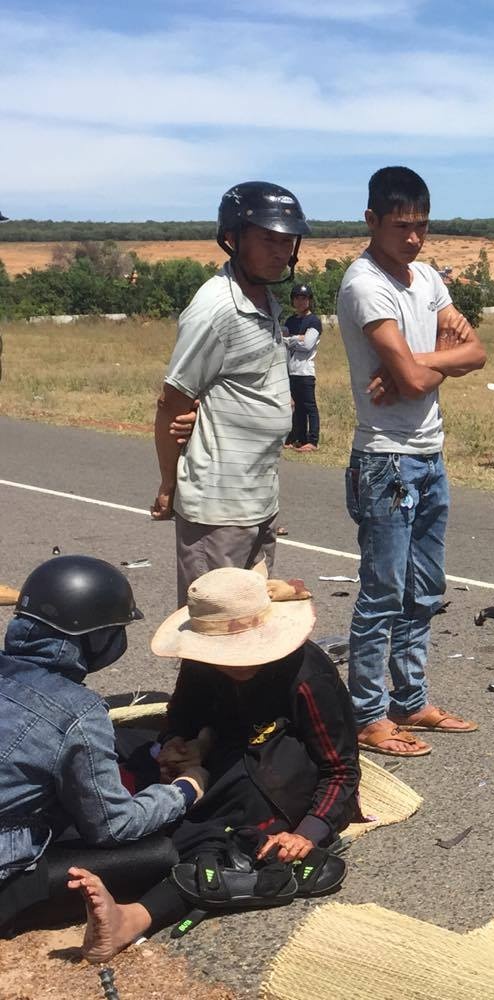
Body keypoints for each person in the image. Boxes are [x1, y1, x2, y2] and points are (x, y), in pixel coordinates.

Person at [65, 565, 359, 961]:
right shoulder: (203, 658)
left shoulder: (309, 678)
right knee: (121, 744)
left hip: (274, 765)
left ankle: (137, 915)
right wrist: (178, 745)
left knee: (229, 829)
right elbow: (182, 715)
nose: (232, 664)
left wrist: (307, 833)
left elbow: (340, 769)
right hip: (220, 750)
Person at [337, 166, 487, 757]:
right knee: (383, 591)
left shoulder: (426, 278)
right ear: (372, 220)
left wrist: (429, 362)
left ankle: (412, 699)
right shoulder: (364, 283)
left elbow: (474, 353)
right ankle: (368, 713)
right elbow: (413, 379)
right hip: (386, 461)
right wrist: (433, 364)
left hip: (429, 454)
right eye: (402, 227)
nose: (415, 239)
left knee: (424, 589)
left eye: (423, 226)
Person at [0, 556, 208, 932]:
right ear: (95, 637)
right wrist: (185, 789)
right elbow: (113, 827)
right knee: (160, 854)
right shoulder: (77, 713)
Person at [151, 182, 311, 604]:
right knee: (214, 633)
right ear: (233, 238)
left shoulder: (264, 301)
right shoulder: (216, 308)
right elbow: (173, 400)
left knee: (251, 630)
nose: (281, 251)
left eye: (287, 240)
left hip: (257, 499)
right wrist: (169, 483)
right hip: (218, 508)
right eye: (268, 239)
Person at [283, 283, 322, 453]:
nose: (300, 301)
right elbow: (280, 340)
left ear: (309, 300)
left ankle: (312, 440)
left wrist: (291, 340)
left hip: (305, 370)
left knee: (309, 406)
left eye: (304, 298)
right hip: (291, 370)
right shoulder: (290, 321)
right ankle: (298, 438)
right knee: (296, 407)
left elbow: (307, 345)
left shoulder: (314, 321)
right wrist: (297, 337)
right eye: (297, 298)